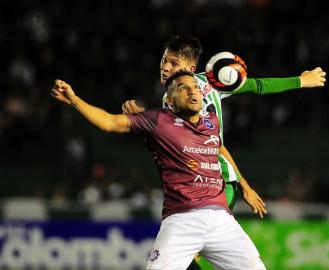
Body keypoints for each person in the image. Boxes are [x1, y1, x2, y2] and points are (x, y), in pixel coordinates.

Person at [51, 71, 266, 270]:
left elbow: (219, 148)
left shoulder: (212, 122)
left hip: (221, 220)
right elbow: (109, 122)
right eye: (183, 87)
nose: (192, 90)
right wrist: (74, 100)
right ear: (170, 101)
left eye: (195, 86)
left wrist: (244, 185)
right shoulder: (158, 121)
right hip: (182, 220)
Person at [122, 34, 327, 216]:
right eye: (165, 60)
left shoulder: (180, 101)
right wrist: (300, 81)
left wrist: (243, 184)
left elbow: (213, 144)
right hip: (202, 184)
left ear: (190, 69)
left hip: (214, 183)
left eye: (174, 63)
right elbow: (257, 86)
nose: (166, 67)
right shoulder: (212, 81)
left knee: (197, 246)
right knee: (198, 248)